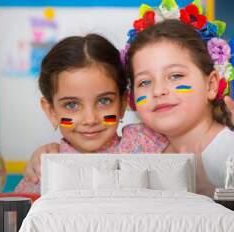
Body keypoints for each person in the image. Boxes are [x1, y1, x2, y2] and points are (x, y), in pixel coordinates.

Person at [22, 2, 234, 232]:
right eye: (145, 81)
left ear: (212, 84)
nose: (158, 91)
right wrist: (49, 153)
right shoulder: (154, 145)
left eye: (176, 76)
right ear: (133, 95)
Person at [14, 33, 169, 194]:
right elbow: (6, 215)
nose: (90, 119)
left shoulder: (143, 142)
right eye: (72, 104)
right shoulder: (43, 169)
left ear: (123, 103)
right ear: (51, 111)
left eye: (104, 101)